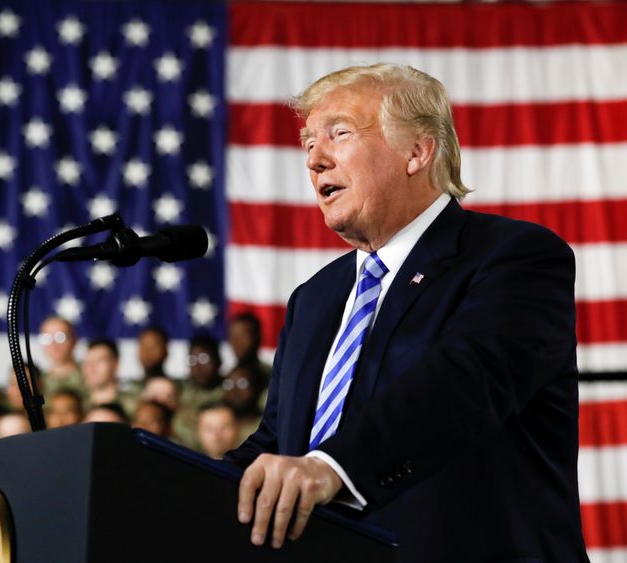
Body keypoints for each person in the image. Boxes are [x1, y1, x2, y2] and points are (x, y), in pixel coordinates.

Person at [225, 63, 587, 561]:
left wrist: (332, 467)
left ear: (417, 151)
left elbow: (463, 383)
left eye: (339, 134)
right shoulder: (316, 297)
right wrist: (162, 488)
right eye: (308, 143)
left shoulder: (514, 256)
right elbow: (279, 443)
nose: (315, 161)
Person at [38, 316, 86, 399]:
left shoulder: (90, 377)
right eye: (47, 338)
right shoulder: (38, 383)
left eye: (60, 337)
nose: (54, 344)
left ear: (74, 340)